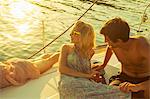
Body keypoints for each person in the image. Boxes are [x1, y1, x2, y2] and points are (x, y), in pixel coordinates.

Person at [58, 20, 130, 99]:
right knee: (78, 91)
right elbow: (62, 69)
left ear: (83, 36)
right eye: (71, 32)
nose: (70, 35)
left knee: (116, 92)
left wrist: (93, 73)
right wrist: (87, 75)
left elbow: (84, 70)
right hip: (67, 81)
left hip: (82, 81)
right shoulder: (66, 48)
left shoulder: (90, 52)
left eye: (74, 33)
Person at [93, 17, 150, 99]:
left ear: (119, 40)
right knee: (110, 93)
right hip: (124, 78)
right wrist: (103, 64)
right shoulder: (113, 46)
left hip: (146, 80)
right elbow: (109, 49)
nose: (105, 41)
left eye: (108, 39)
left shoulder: (143, 46)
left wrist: (138, 86)